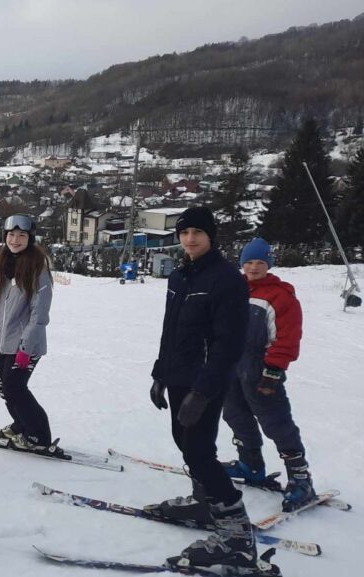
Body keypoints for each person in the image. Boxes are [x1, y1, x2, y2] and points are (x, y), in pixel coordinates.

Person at [145, 206, 256, 570]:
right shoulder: (180, 276)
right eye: (184, 232)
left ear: (211, 236)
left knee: (199, 452)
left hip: (205, 380)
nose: (190, 239)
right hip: (178, 376)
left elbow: (229, 344)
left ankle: (237, 537)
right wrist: (160, 374)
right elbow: (170, 330)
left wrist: (204, 390)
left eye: (197, 232)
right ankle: (205, 503)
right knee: (185, 443)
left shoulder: (227, 280)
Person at [222, 237, 315, 512]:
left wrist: (273, 370)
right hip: (231, 366)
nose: (253, 267)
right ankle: (250, 465)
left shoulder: (280, 297)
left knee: (276, 422)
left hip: (261, 369)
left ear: (269, 264)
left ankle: (301, 478)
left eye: (260, 262)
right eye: (248, 262)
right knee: (235, 414)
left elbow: (288, 337)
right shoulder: (234, 289)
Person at [0, 214, 63, 457]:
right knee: (3, 386)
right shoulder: (3, 264)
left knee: (15, 388)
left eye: (21, 235)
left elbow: (39, 315)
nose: (15, 240)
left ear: (30, 238)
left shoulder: (38, 270)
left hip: (25, 344)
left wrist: (25, 349)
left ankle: (38, 436)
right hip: (2, 341)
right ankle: (21, 425)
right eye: (11, 235)